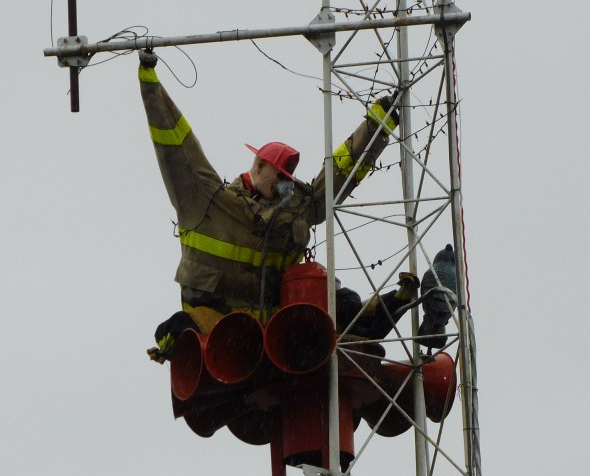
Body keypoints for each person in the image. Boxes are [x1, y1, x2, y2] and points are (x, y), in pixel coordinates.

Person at [138, 49, 403, 361]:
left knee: (341, 302)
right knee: (177, 326)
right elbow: (177, 149)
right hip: (220, 328)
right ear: (259, 165)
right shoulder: (209, 203)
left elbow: (340, 173)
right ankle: (182, 346)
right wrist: (150, 83)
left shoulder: (295, 209)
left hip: (278, 331)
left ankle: (390, 306)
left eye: (288, 179)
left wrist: (378, 124)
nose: (283, 185)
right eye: (279, 176)